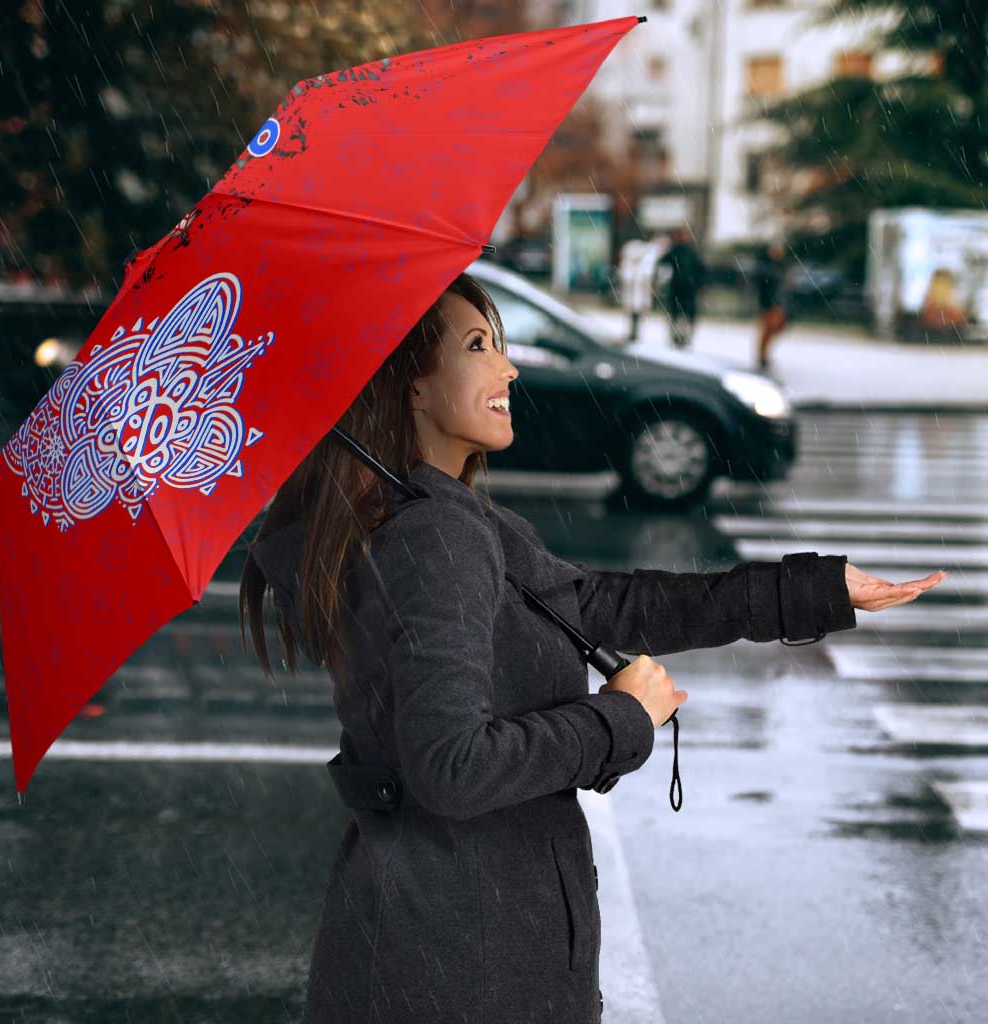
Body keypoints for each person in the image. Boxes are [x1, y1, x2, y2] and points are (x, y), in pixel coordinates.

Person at [240, 271, 940, 1024]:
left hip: (444, 942)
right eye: (478, 346)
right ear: (409, 385)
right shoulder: (433, 537)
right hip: (462, 962)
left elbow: (603, 605)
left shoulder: (440, 518)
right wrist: (620, 719)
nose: (508, 368)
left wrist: (814, 591)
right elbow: (451, 768)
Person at [656, 226, 706, 349]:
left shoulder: (689, 252)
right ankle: (677, 337)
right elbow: (662, 264)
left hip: (687, 288)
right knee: (677, 314)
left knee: (684, 315)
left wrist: (699, 284)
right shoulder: (676, 251)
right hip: (679, 288)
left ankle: (683, 337)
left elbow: (700, 270)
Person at [754, 239, 790, 370]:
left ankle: (763, 354)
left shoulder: (781, 266)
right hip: (769, 303)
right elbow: (763, 286)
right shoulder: (766, 267)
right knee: (768, 329)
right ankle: (762, 355)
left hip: (778, 303)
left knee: (776, 328)